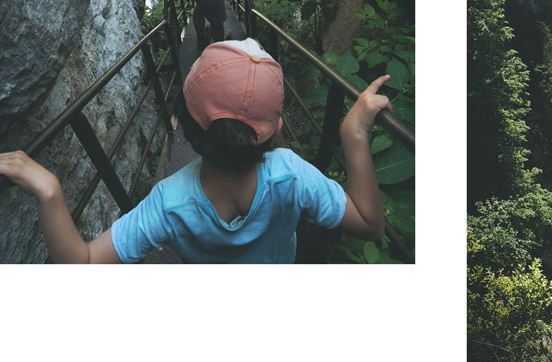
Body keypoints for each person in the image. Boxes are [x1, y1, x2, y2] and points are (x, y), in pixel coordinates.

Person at [0, 38, 388, 263]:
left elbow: (83, 265)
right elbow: (370, 224)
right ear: (275, 129)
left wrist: (49, 191)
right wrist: (353, 133)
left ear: (186, 121)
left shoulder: (170, 202)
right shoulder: (291, 174)